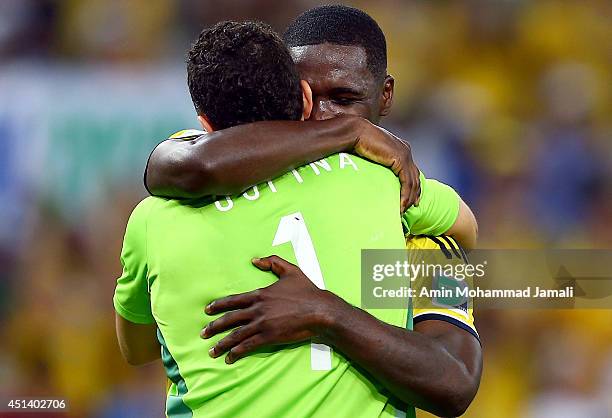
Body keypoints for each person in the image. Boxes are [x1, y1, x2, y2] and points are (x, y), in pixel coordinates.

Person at [114, 20, 480, 418]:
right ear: (300, 96)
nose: (325, 117)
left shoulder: (154, 218)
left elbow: (137, 348)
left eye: (343, 100)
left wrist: (330, 309)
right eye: (316, 101)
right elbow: (467, 225)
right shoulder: (388, 187)